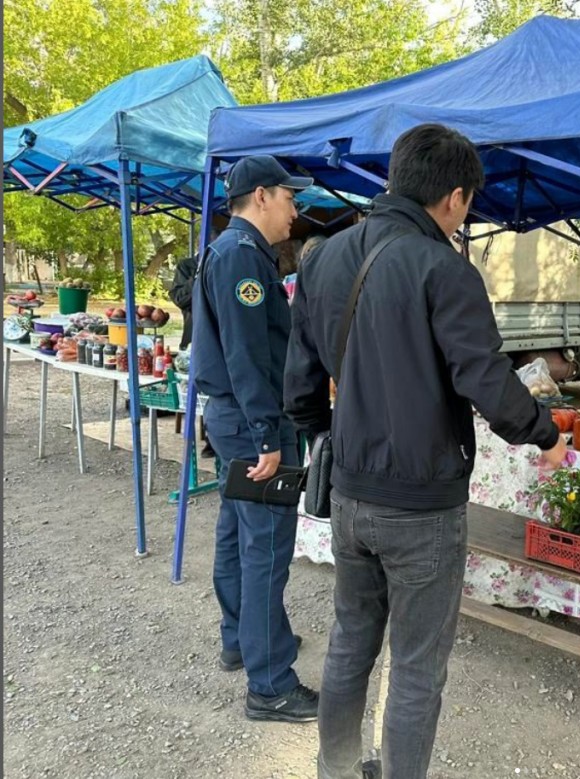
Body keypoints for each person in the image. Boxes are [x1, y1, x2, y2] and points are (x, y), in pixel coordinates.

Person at [285, 124, 568, 779]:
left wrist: (325, 433)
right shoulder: (444, 267)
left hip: (351, 495)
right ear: (456, 197)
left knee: (352, 638)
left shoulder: (321, 259)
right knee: (415, 664)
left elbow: (298, 384)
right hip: (423, 509)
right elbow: (488, 381)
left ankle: (335, 769)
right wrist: (544, 432)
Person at [190, 155, 319, 723]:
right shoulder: (241, 255)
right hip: (254, 424)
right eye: (291, 198)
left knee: (235, 535)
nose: (296, 210)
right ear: (262, 196)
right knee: (264, 550)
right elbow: (247, 357)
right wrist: (269, 436)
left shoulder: (235, 251)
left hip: (236, 419)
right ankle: (270, 685)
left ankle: (243, 640)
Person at [169, 232, 219, 457]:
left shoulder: (224, 264)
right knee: (194, 389)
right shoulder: (186, 266)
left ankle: (213, 437)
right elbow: (180, 298)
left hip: (219, 336)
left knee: (216, 389)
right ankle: (199, 433)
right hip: (193, 337)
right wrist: (200, 272)